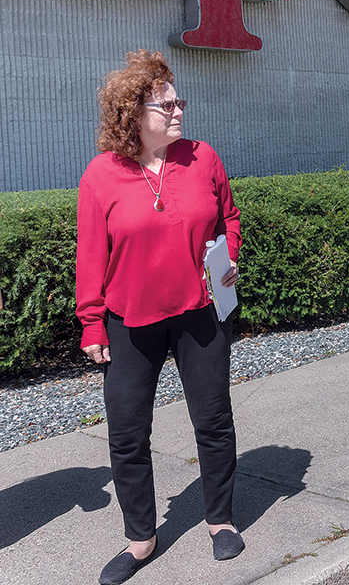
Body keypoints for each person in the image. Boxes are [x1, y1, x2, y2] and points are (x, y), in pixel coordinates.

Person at [76, 50, 244, 585]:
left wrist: (230, 255)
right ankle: (141, 538)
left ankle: (220, 519)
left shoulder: (204, 157)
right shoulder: (102, 174)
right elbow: (90, 253)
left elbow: (229, 214)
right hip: (130, 323)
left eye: (179, 100)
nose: (178, 110)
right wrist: (91, 322)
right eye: (165, 103)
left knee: (213, 422)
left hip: (199, 315)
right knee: (127, 434)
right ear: (133, 114)